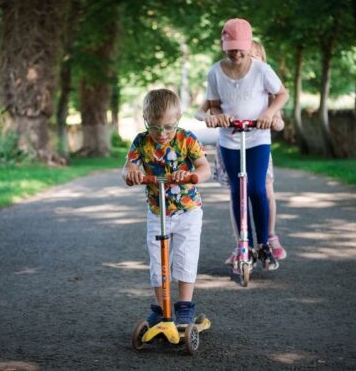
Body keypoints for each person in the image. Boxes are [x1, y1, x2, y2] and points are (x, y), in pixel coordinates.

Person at [203, 18, 289, 268]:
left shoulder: (262, 69)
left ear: (250, 45)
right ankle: (244, 245)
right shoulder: (215, 72)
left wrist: (269, 113)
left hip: (257, 138)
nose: (237, 53)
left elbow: (282, 94)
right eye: (232, 48)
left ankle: (264, 244)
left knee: (257, 189)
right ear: (223, 45)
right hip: (230, 140)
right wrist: (218, 115)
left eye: (242, 48)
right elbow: (214, 103)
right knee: (237, 191)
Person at [122, 88, 211, 327]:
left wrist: (191, 176)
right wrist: (132, 173)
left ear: (178, 120)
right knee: (157, 262)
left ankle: (184, 307)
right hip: (157, 211)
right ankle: (162, 309)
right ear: (145, 121)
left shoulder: (187, 139)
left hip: (188, 211)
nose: (162, 134)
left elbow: (205, 168)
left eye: (169, 127)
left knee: (185, 257)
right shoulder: (141, 141)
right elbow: (127, 168)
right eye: (155, 127)